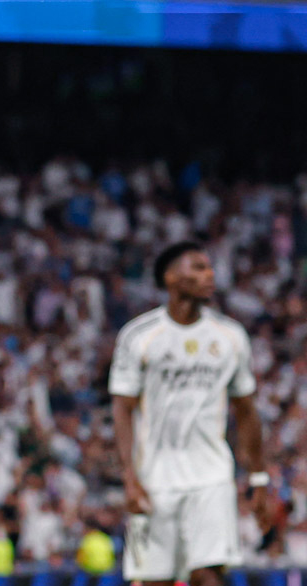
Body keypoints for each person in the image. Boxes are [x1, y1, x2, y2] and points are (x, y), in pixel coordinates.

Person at [109, 241, 268, 586]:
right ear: (170, 277)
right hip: (154, 479)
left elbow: (246, 410)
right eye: (198, 267)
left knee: (208, 576)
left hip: (211, 476)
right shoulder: (139, 336)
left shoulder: (230, 336)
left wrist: (258, 478)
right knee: (153, 581)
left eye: (209, 268)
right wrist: (129, 477)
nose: (209, 275)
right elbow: (122, 409)